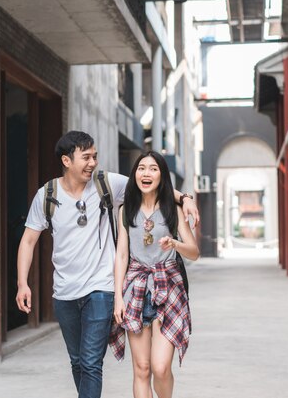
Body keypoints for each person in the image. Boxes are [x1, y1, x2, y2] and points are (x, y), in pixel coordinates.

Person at [16, 131, 199, 398]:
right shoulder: (48, 195)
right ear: (67, 161)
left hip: (102, 287)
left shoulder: (106, 183)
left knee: (91, 362)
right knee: (78, 361)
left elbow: (148, 183)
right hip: (65, 290)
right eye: (86, 157)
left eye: (95, 157)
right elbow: (28, 241)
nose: (92, 163)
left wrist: (185, 198)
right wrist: (23, 282)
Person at [109, 151, 200, 398]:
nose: (146, 173)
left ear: (162, 176)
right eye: (141, 168)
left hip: (168, 289)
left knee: (160, 368)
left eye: (153, 169)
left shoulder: (173, 209)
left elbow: (193, 252)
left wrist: (174, 244)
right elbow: (121, 256)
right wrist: (118, 297)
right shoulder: (125, 210)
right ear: (135, 174)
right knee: (142, 368)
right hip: (135, 290)